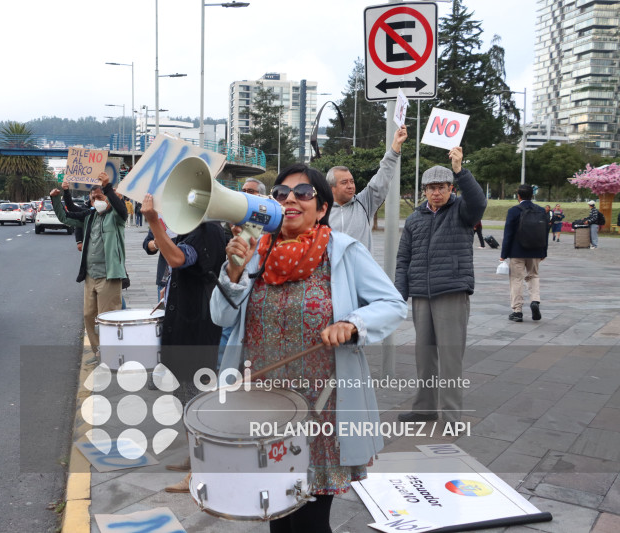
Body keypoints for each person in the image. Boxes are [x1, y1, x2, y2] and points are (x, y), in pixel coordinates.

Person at [211, 163, 407, 533]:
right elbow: (221, 317)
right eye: (282, 193)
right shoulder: (256, 252)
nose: (291, 200)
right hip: (263, 406)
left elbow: (393, 304)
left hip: (322, 412)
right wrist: (233, 272)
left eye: (304, 194)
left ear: (321, 208)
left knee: (311, 521)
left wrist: (353, 325)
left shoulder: (342, 250)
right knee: (277, 514)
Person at [140, 193, 229, 494]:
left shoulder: (209, 231)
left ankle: (200, 472)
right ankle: (194, 458)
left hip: (199, 329)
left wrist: (153, 223)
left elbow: (178, 259)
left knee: (197, 400)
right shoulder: (194, 231)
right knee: (186, 396)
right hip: (187, 326)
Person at [395, 147, 487, 424]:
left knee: (449, 358)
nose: (437, 192)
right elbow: (403, 260)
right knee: (424, 357)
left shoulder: (462, 211)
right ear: (424, 190)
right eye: (431, 188)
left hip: (451, 291)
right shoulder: (414, 219)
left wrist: (461, 170)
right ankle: (425, 408)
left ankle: (450, 415)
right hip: (422, 294)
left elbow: (479, 202)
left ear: (451, 188)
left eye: (443, 187)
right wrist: (400, 296)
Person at [50, 173, 127, 356]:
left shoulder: (116, 218)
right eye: (93, 198)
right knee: (88, 316)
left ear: (108, 199)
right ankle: (99, 354)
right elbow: (66, 217)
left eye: (100, 197)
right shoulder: (89, 217)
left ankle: (112, 355)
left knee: (107, 319)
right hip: (90, 276)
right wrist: (55, 199)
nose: (96, 200)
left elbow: (122, 210)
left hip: (109, 276)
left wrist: (107, 189)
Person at [327, 124, 408, 251]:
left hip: (359, 270)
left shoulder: (364, 203)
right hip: (331, 270)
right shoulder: (321, 211)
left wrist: (395, 147)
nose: (350, 186)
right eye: (344, 182)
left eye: (352, 181)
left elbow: (383, 176)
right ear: (332, 188)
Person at [500, 184, 548, 322]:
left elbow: (508, 233)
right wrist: (544, 251)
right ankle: (535, 301)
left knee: (516, 279)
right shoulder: (540, 210)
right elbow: (545, 232)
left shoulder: (514, 211)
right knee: (533, 276)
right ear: (532, 195)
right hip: (536, 249)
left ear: (518, 196)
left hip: (517, 250)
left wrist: (504, 254)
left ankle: (517, 311)